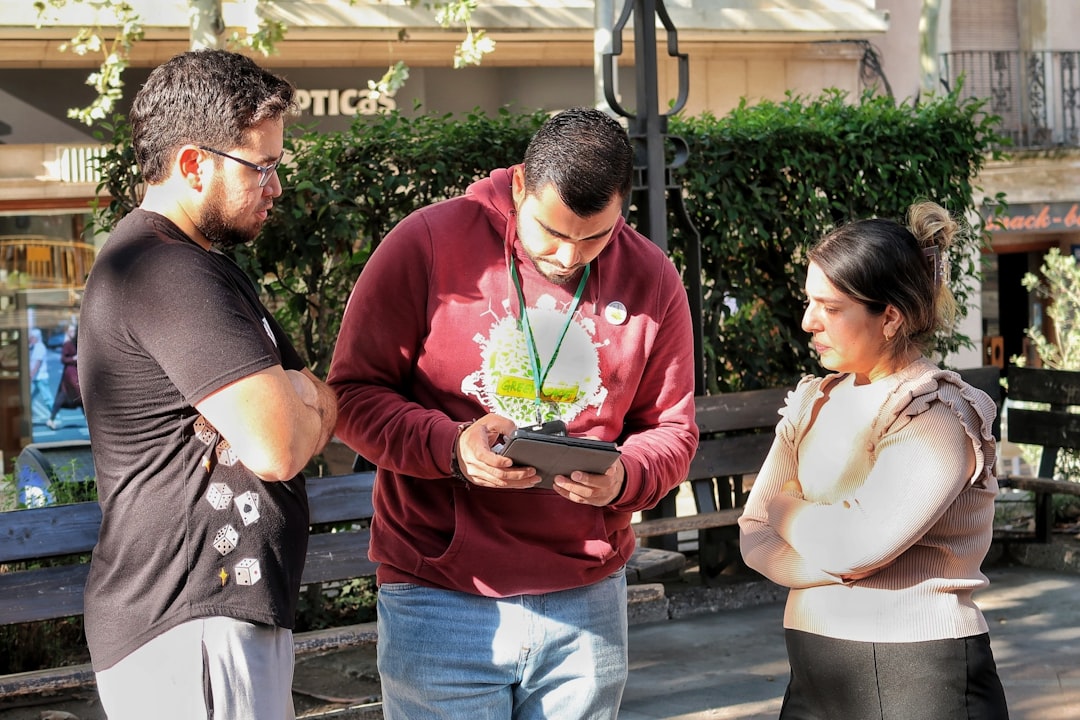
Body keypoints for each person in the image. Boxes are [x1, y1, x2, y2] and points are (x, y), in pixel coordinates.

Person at [327, 107, 699, 719]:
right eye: (551, 232)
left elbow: (671, 429)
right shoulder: (427, 242)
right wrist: (451, 447)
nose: (568, 256)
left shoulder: (652, 277)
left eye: (595, 237)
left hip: (587, 599)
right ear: (520, 185)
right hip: (439, 594)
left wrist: (624, 477)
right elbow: (353, 395)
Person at [78, 49, 337, 720]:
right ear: (194, 164)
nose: (276, 187)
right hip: (192, 620)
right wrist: (300, 399)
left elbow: (312, 396)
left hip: (209, 615)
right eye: (262, 167)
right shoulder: (167, 272)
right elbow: (279, 445)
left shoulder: (189, 265)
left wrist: (299, 396)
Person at [738, 201, 1010, 719]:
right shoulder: (813, 401)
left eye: (830, 308)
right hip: (814, 669)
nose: (807, 322)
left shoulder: (935, 411)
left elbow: (853, 545)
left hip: (919, 676)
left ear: (889, 317)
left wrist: (784, 507)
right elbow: (754, 534)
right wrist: (846, 563)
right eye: (809, 301)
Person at [45, 322, 82, 430]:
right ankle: (92, 423)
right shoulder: (67, 344)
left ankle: (51, 419)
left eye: (74, 331)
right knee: (80, 396)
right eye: (71, 331)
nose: (73, 333)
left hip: (73, 373)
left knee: (63, 397)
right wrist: (73, 359)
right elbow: (63, 359)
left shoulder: (75, 343)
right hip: (70, 375)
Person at [27, 326, 51, 424]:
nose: (30, 339)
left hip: (40, 377)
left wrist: (30, 375)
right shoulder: (34, 347)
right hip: (36, 378)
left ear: (36, 337)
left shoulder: (40, 347)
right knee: (29, 398)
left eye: (31, 337)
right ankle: (27, 416)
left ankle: (55, 417)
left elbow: (37, 363)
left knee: (47, 398)